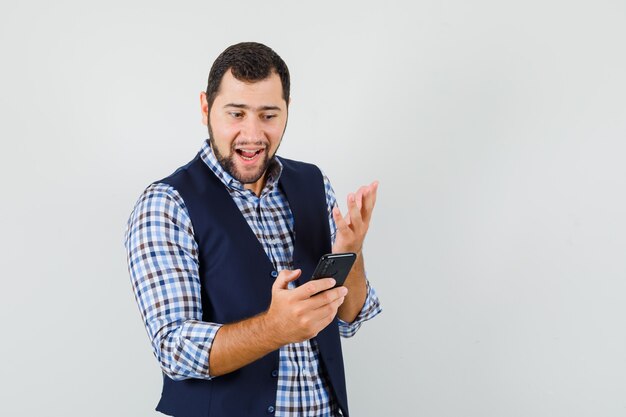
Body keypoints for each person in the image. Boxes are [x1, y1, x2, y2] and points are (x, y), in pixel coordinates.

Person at [125, 42, 382, 417]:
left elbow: (349, 316)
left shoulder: (313, 183)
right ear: (205, 108)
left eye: (268, 115)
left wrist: (352, 250)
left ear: (287, 112)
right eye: (236, 113)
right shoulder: (166, 205)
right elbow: (174, 350)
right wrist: (274, 328)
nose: (252, 133)